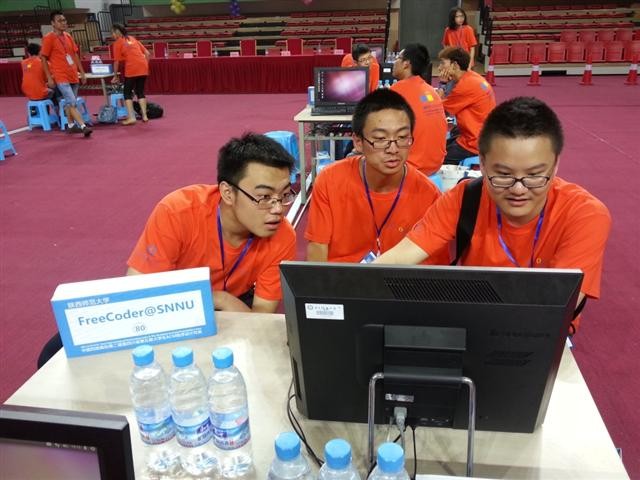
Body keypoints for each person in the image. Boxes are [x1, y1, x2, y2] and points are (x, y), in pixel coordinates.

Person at [375, 97, 612, 332]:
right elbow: (402, 255)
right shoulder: (465, 198)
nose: (518, 189)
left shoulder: (584, 215)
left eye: (534, 175)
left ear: (556, 164)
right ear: (482, 163)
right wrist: (358, 283)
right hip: (470, 324)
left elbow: (556, 307)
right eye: (504, 175)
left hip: (539, 333)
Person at [127, 133, 297, 313]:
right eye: (264, 197)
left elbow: (261, 316)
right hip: (173, 301)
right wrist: (216, 298)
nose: (278, 209)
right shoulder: (177, 212)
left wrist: (224, 300)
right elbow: (136, 294)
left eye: (284, 195)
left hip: (237, 300)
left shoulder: (281, 234)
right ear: (228, 193)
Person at [305, 89, 445, 264]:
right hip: (340, 278)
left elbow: (434, 265)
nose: (393, 149)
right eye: (380, 139)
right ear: (358, 142)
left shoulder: (428, 195)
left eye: (402, 137)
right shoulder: (329, 181)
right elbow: (317, 251)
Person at [391, 43, 447, 176]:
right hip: (435, 164)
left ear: (406, 64)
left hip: (412, 167)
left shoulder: (397, 91)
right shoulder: (431, 91)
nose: (394, 62)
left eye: (397, 58)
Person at [437, 47, 495, 165]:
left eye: (443, 63)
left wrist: (442, 84)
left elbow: (439, 111)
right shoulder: (472, 77)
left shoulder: (465, 86)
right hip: (485, 134)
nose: (439, 68)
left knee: (436, 157)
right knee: (444, 143)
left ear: (455, 65)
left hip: (474, 142)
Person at [40, 10, 92, 137]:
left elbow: (75, 55)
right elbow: (43, 58)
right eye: (60, 21)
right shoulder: (49, 38)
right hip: (60, 75)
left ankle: (70, 125)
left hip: (73, 74)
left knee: (70, 102)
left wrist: (82, 72)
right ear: (53, 23)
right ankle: (83, 126)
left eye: (64, 20)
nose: (63, 23)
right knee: (72, 101)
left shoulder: (68, 36)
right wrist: (49, 77)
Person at [110, 23, 151, 125]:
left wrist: (115, 76)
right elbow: (147, 53)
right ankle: (144, 116)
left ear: (117, 33)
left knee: (127, 93)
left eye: (112, 33)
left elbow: (116, 62)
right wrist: (145, 65)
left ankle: (132, 118)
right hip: (143, 67)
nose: (112, 36)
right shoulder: (132, 38)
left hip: (132, 68)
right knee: (140, 92)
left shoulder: (117, 43)